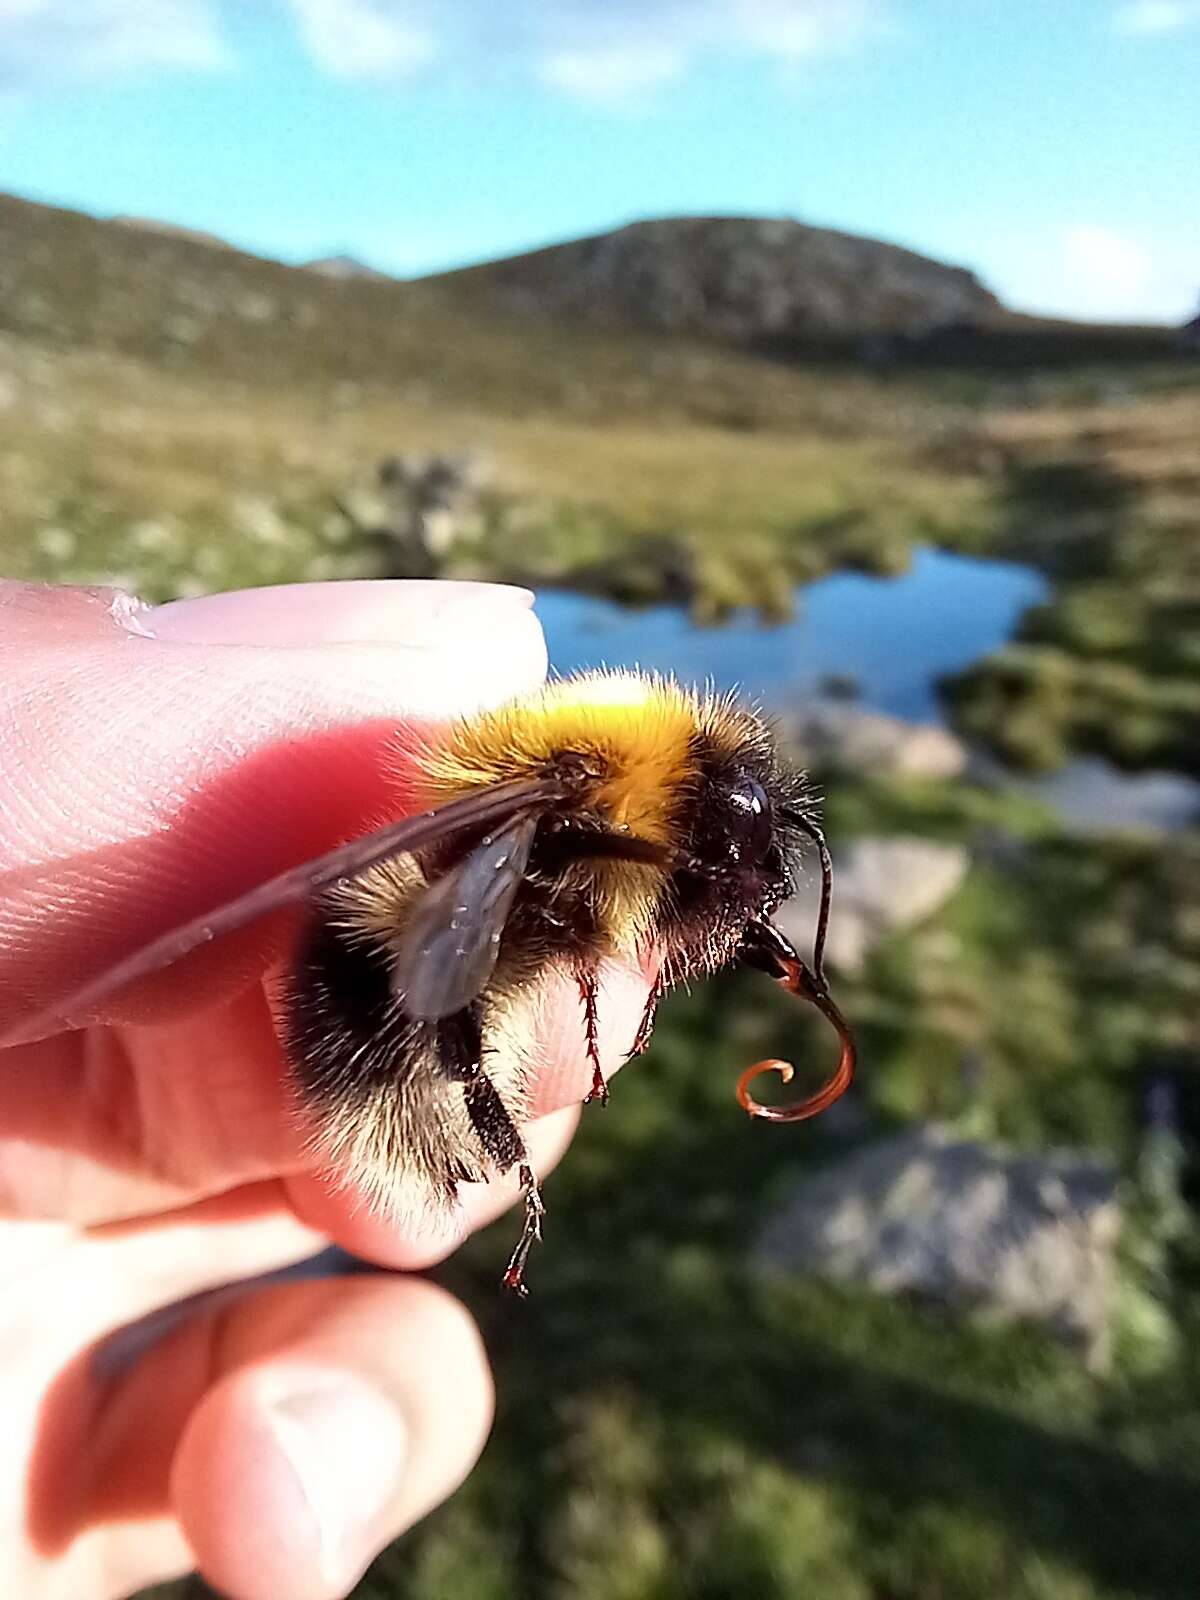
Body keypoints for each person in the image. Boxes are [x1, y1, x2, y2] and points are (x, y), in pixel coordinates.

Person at [0, 579, 647, 1600]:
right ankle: (511, 1167)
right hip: (398, 991)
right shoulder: (575, 808)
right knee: (462, 1019)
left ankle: (502, 1162)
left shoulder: (576, 809)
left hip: (385, 974)